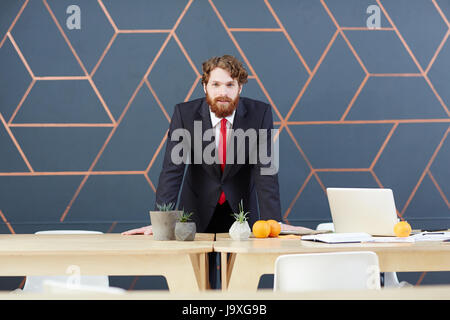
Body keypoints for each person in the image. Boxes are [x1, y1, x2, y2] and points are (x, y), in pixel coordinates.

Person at [122, 55, 312, 288]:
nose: (223, 92)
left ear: (240, 86)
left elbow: (266, 172)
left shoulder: (259, 113)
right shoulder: (185, 114)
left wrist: (273, 223)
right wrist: (162, 222)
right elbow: (172, 171)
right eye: (216, 84)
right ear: (205, 86)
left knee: (240, 287)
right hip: (196, 211)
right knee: (199, 287)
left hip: (242, 214)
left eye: (230, 85)